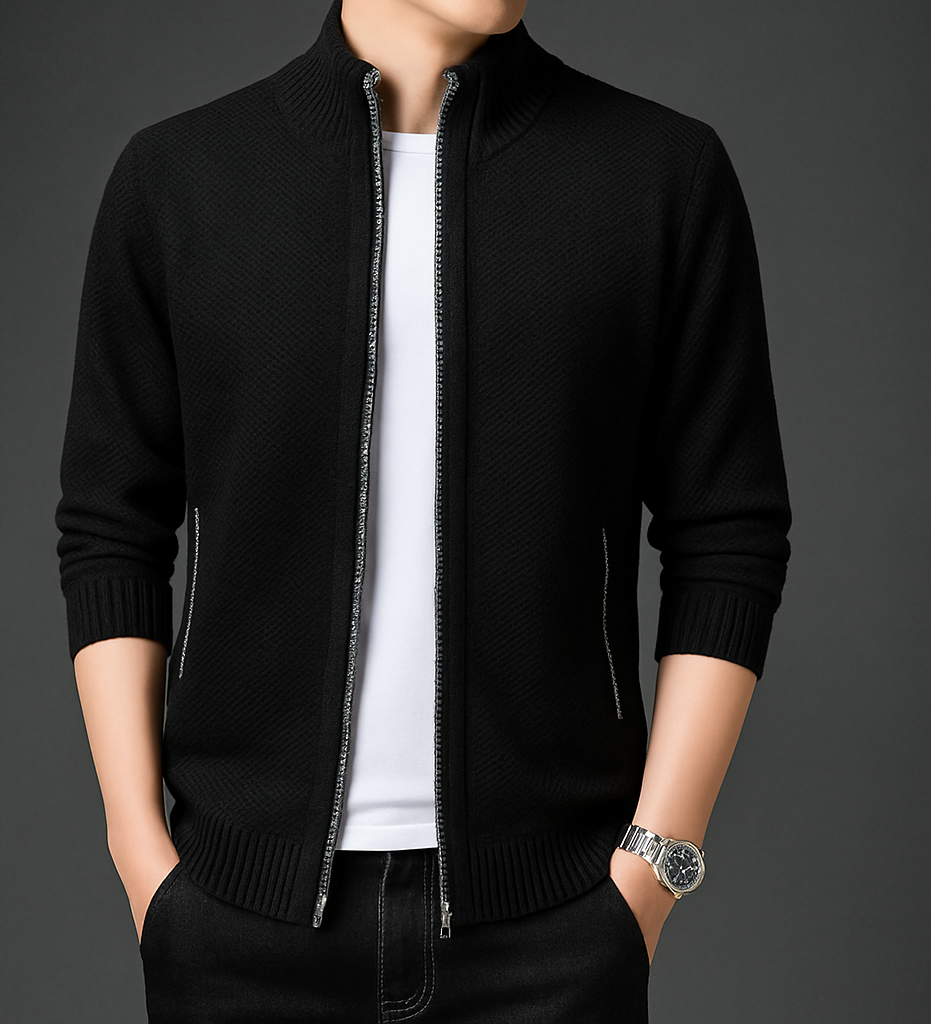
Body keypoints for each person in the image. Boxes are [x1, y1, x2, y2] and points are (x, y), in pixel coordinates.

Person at [55, 0, 792, 1020]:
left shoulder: (660, 173)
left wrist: (651, 872)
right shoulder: (180, 178)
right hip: (236, 923)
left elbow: (728, 533)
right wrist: (142, 855)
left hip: (557, 927)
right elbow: (111, 528)